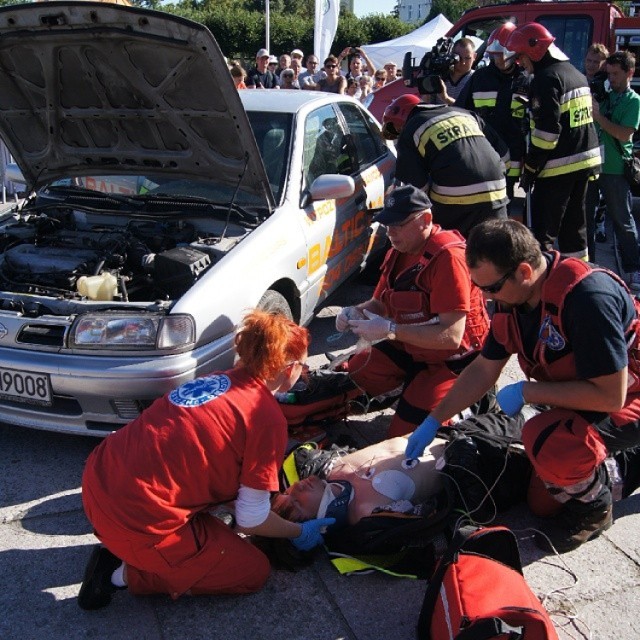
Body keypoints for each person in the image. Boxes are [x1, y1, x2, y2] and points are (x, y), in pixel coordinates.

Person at [405, 219, 640, 553]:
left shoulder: (587, 299)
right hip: (589, 390)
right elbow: (483, 369)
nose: (486, 299)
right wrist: (432, 420)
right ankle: (603, 465)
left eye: (491, 289)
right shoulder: (514, 296)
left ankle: (595, 510)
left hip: (627, 394)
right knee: (541, 503)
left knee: (550, 445)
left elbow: (611, 395)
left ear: (525, 271)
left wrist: (529, 392)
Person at [77, 310, 334, 610]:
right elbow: (252, 520)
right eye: (303, 367)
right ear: (287, 367)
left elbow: (201, 458)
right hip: (134, 519)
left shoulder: (218, 380)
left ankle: (129, 546)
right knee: (252, 571)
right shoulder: (266, 417)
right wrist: (298, 531)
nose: (301, 375)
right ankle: (117, 575)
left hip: (98, 482)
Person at [335, 184, 490, 438]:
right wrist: (353, 312)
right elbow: (380, 303)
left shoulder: (448, 258)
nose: (391, 233)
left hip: (453, 362)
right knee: (356, 373)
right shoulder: (399, 251)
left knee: (406, 436)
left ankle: (473, 402)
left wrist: (391, 330)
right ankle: (407, 388)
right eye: (388, 225)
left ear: (426, 220)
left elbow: (451, 337)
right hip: (412, 348)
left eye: (399, 225)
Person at [505, 23, 600, 259]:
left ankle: (540, 282)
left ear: (535, 50)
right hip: (584, 164)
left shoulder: (546, 79)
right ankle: (578, 275)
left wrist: (531, 167)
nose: (519, 63)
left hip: (559, 167)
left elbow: (548, 133)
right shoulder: (576, 74)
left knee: (541, 232)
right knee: (574, 230)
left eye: (521, 56)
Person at [382, 94, 509, 237]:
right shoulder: (464, 114)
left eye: (397, 129)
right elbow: (504, 154)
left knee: (451, 247)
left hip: (454, 200)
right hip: (497, 191)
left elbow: (416, 189)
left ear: (402, 116)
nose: (399, 133)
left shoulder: (411, 128)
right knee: (496, 248)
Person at [273, 436, 448, 527]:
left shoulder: (331, 470)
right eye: (297, 503)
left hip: (434, 428)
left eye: (287, 492)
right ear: (317, 524)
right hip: (460, 450)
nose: (296, 486)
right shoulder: (368, 513)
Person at [455, 23, 530, 216]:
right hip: (483, 154)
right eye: (496, 54)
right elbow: (461, 111)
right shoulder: (480, 77)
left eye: (505, 53)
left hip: (513, 156)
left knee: (505, 202)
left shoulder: (526, 80)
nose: (501, 59)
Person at [591, 50, 640, 289]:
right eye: (609, 74)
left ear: (630, 73)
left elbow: (623, 133)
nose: (611, 79)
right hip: (594, 164)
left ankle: (633, 268)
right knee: (588, 217)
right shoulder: (608, 95)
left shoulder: (633, 101)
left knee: (622, 220)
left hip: (616, 168)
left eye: (616, 74)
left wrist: (599, 117)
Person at [584, 43, 610, 258]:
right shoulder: (579, 79)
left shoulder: (606, 85)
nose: (592, 65)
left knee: (600, 190)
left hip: (601, 142)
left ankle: (600, 224)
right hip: (585, 142)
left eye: (596, 62)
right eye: (589, 61)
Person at [427, 38, 476, 105]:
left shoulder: (477, 79)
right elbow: (427, 104)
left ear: (474, 56)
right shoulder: (440, 75)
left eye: (467, 58)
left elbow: (473, 109)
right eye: (459, 58)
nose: (463, 62)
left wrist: (446, 98)